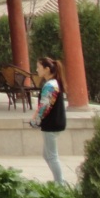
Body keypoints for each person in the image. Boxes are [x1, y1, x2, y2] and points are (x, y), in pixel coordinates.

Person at [29, 56, 67, 184]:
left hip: (51, 124)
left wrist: (35, 121)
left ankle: (60, 184)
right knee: (47, 155)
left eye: (38, 67)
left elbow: (44, 107)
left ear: (47, 69)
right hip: (54, 123)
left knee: (52, 156)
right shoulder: (54, 83)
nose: (37, 70)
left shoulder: (50, 85)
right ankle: (59, 181)